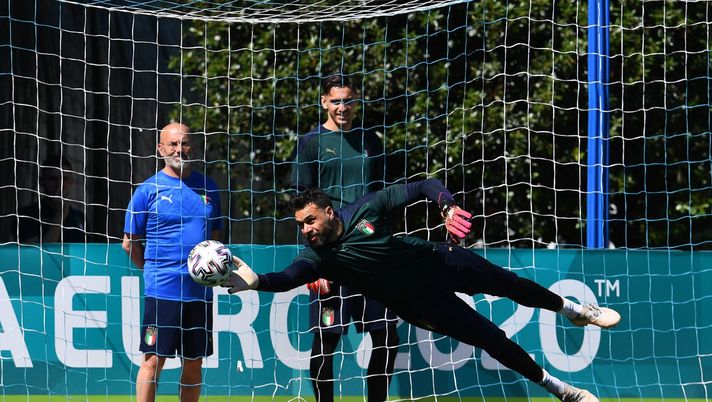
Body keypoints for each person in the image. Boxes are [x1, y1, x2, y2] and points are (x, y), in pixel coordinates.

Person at [223, 178, 621, 402]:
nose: (306, 230)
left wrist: (446, 206)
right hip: (419, 302)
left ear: (329, 212)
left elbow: (423, 187)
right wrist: (257, 281)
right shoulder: (318, 258)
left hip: (436, 260)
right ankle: (563, 391)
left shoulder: (366, 208)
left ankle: (573, 308)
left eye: (310, 221)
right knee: (490, 337)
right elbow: (288, 277)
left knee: (508, 284)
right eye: (301, 226)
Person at [290, 74, 399, 401]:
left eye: (348, 100)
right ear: (324, 102)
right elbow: (301, 207)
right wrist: (312, 262)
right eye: (336, 101)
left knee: (386, 336)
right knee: (327, 339)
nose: (342, 107)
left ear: (357, 101)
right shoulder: (310, 142)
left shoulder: (371, 140)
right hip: (331, 256)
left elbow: (386, 198)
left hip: (370, 253)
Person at [122, 123, 222, 402]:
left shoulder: (209, 188)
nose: (180, 149)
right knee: (153, 360)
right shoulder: (147, 190)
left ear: (193, 146)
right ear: (161, 149)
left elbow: (214, 239)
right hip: (162, 291)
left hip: (198, 293)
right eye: (173, 144)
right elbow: (129, 243)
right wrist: (152, 271)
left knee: (194, 362)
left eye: (185, 143)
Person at [14, 156, 85, 243]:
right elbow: (38, 254)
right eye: (52, 179)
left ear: (71, 181)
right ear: (41, 182)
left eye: (65, 179)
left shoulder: (80, 218)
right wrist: (60, 215)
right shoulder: (25, 216)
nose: (60, 185)